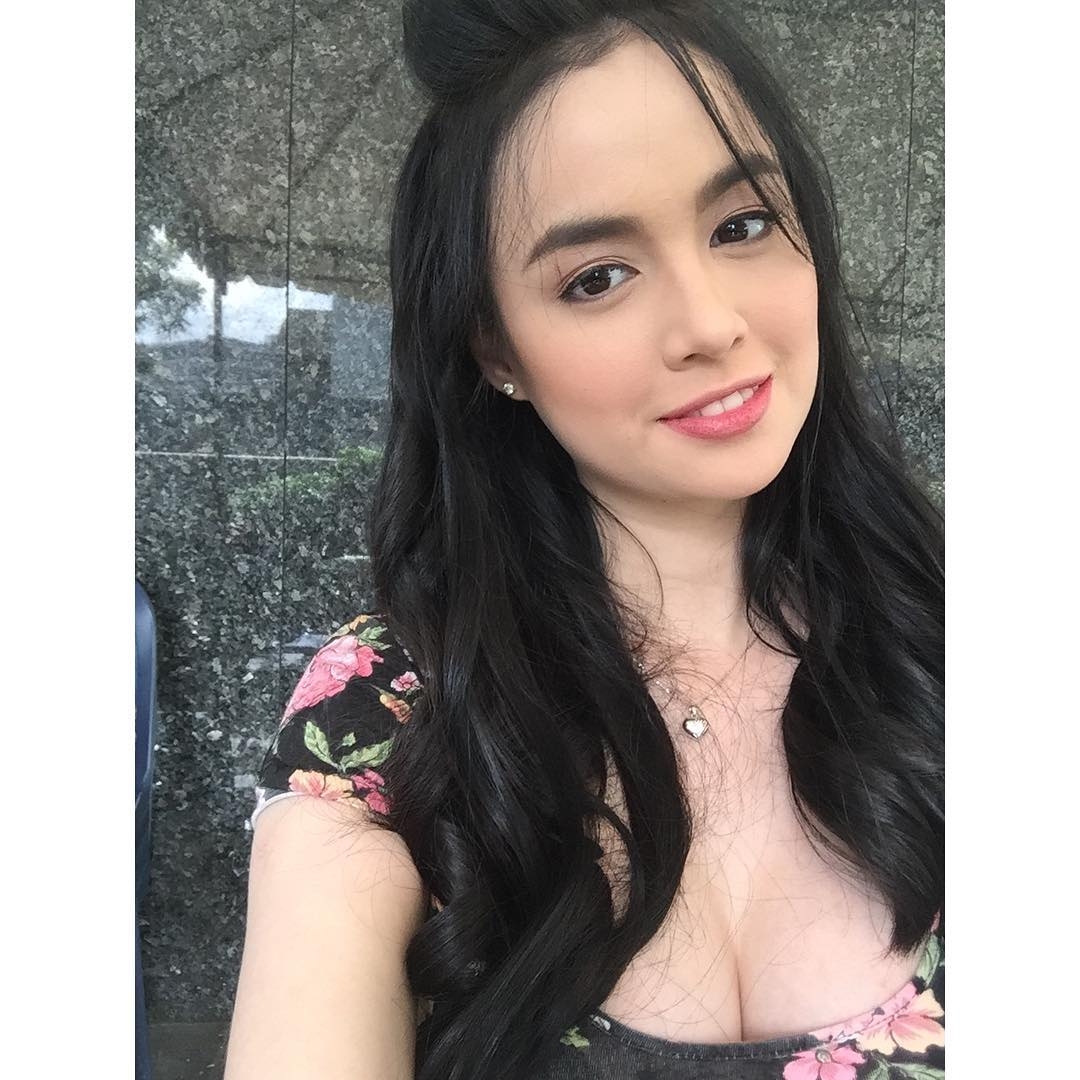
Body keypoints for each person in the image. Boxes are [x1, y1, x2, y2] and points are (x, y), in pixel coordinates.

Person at [224, 2, 945, 1078]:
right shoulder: (389, 712)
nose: (708, 323)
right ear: (495, 350)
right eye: (596, 277)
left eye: (742, 224)